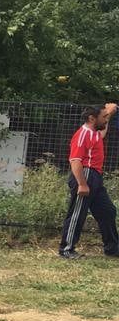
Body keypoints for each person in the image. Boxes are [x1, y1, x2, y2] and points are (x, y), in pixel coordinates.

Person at [59, 102, 118, 259]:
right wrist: (82, 184)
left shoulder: (94, 133)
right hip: (85, 175)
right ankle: (66, 249)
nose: (106, 120)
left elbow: (102, 132)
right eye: (103, 117)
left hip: (95, 177)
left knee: (108, 211)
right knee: (77, 213)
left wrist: (109, 114)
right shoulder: (83, 133)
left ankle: (112, 249)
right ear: (92, 118)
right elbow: (75, 160)